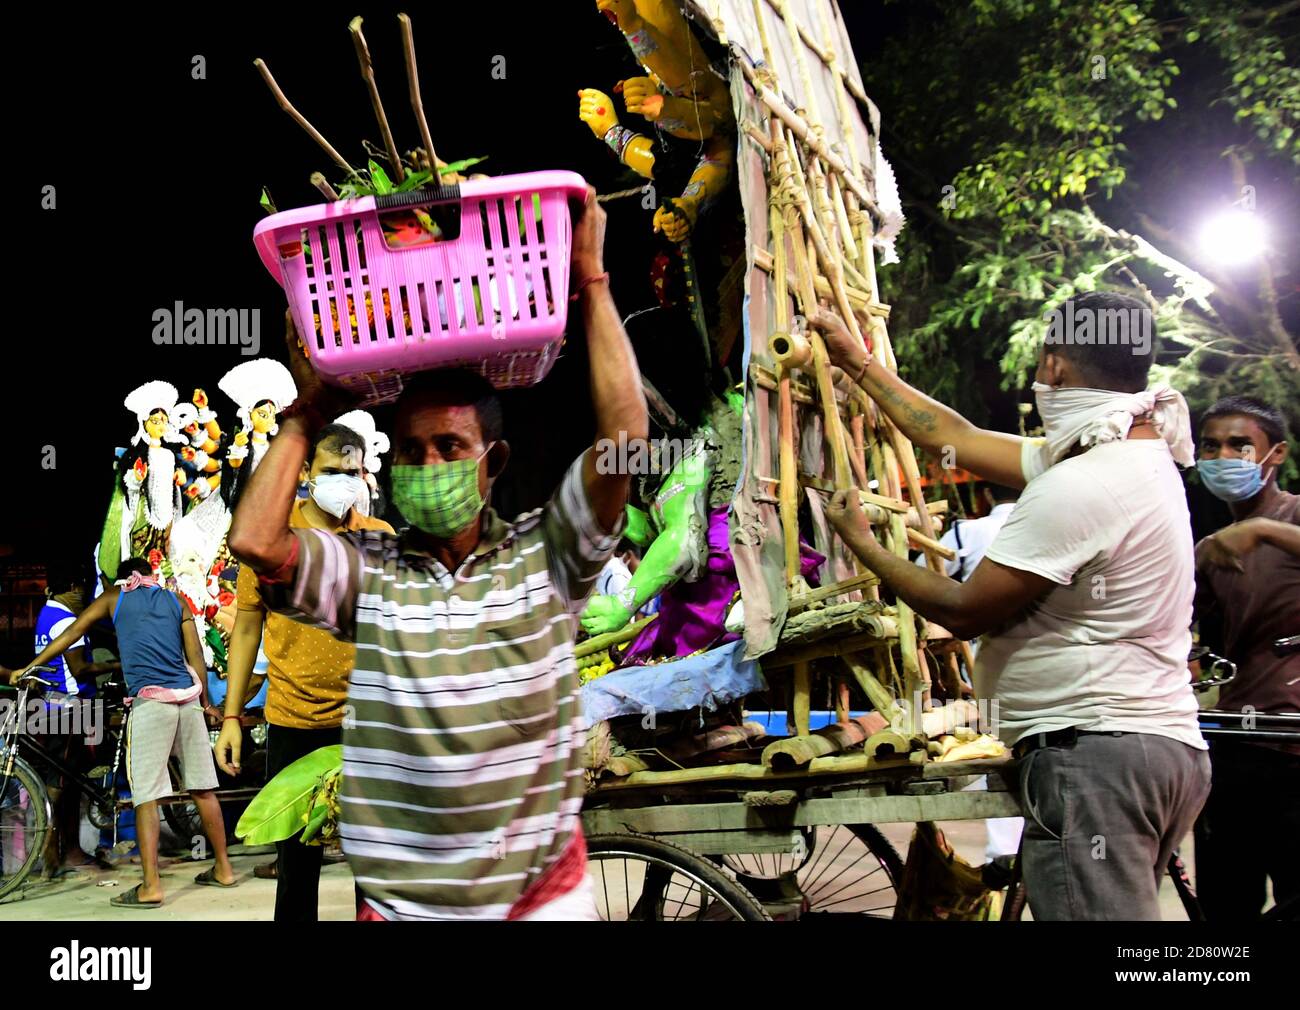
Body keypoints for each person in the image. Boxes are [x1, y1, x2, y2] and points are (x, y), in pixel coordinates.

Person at [228, 188, 647, 921]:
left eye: (450, 447)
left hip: (537, 901)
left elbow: (624, 442)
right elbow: (256, 544)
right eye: (413, 452)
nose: (429, 465)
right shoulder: (369, 569)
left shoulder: (548, 554)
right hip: (401, 907)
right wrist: (308, 410)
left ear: (495, 461)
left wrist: (592, 284)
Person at [814, 290, 1210, 921]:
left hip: (1098, 755)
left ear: (1053, 366)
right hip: (1141, 749)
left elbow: (966, 610)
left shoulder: (1085, 482)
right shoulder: (1126, 453)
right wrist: (858, 364)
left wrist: (863, 545)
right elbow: (954, 436)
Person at [214, 422, 394, 919]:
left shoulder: (379, 538)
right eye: (332, 471)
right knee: (297, 868)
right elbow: (247, 628)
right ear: (307, 473)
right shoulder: (273, 538)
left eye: (353, 472)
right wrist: (232, 717)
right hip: (294, 722)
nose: (344, 481)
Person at [13, 557, 237, 907]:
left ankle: (150, 887)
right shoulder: (175, 600)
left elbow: (72, 634)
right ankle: (223, 869)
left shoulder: (114, 598)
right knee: (203, 789)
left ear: (122, 579)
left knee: (146, 797)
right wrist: (207, 704)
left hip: (152, 703)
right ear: (151, 576)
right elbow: (194, 655)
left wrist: (29, 666)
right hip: (189, 700)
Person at [1190, 394, 1299, 920]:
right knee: (1225, 908)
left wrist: (1259, 529)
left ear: (1274, 454)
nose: (1223, 456)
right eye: (1211, 445)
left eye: (1240, 445)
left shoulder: (1292, 516)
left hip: (1294, 745)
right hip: (1233, 742)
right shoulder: (1212, 547)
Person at [914, 482, 1025, 862]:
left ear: (988, 496)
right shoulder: (1050, 525)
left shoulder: (968, 532)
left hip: (985, 659)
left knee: (999, 749)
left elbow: (923, 577)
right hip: (1041, 658)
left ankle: (1003, 852)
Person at [26, 563, 118, 874]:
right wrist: (117, 666)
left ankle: (73, 850)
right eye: (82, 589)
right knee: (60, 783)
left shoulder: (45, 615)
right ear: (74, 587)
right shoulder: (66, 619)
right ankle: (51, 849)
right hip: (71, 709)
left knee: (71, 782)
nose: (84, 596)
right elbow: (80, 669)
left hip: (52, 707)